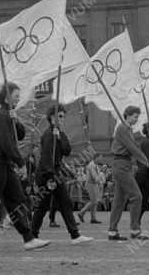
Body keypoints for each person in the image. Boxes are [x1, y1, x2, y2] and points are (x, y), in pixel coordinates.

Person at [0, 83, 49, 252]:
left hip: (5, 165)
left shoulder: (9, 116)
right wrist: (21, 163)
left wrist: (17, 120)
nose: (18, 98)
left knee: (17, 200)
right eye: (16, 95)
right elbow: (7, 144)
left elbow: (19, 135)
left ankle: (28, 238)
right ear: (7, 98)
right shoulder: (2, 116)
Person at [29, 104, 92, 244]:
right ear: (52, 117)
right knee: (43, 206)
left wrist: (60, 137)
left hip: (55, 174)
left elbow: (67, 150)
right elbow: (46, 157)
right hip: (48, 175)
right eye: (60, 116)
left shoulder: (59, 133)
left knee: (64, 203)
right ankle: (32, 235)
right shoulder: (47, 134)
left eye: (64, 116)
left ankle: (74, 235)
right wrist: (50, 178)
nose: (63, 119)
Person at [107, 105, 149, 241]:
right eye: (135, 116)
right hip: (121, 166)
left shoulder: (127, 129)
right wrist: (145, 160)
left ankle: (112, 232)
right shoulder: (122, 128)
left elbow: (131, 146)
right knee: (137, 196)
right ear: (128, 115)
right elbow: (132, 147)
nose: (137, 119)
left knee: (119, 201)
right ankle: (135, 230)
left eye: (137, 117)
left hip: (124, 165)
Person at [77, 156, 105, 224]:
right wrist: (100, 182)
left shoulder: (96, 165)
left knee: (95, 202)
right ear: (95, 158)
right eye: (99, 158)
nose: (100, 159)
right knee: (94, 201)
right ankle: (81, 213)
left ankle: (93, 218)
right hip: (90, 184)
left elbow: (97, 176)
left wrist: (99, 183)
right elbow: (94, 176)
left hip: (94, 184)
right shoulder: (91, 165)